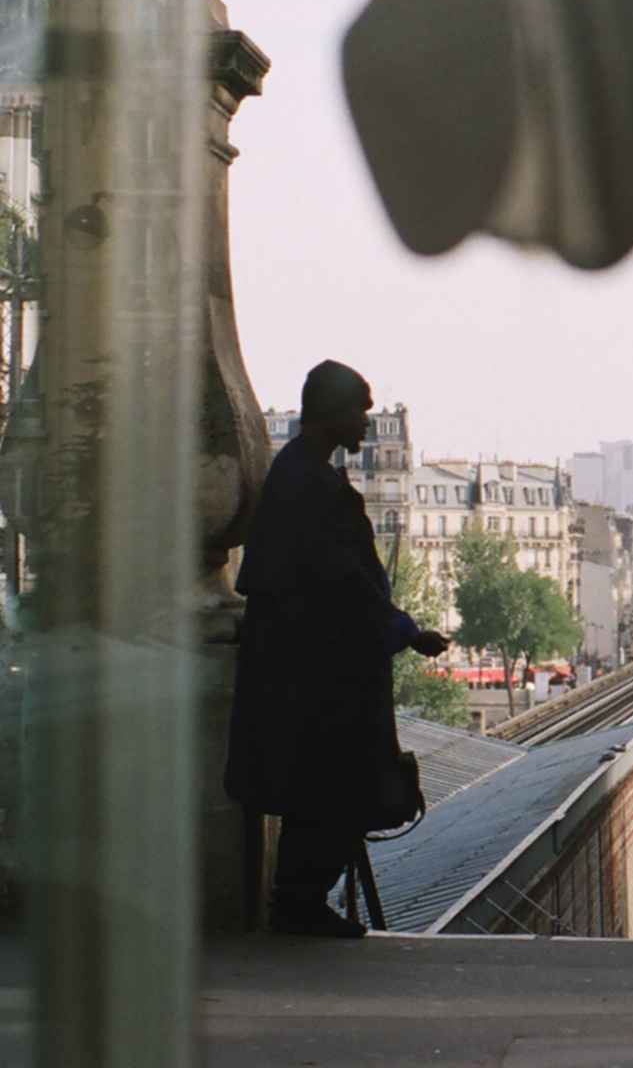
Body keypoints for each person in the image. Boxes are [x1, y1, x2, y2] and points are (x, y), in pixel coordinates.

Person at [224, 361, 452, 938]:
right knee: (335, 783)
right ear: (332, 411)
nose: (368, 423)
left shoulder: (301, 474)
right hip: (320, 670)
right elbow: (342, 578)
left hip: (312, 661)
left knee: (320, 785)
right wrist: (406, 631)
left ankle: (298, 899)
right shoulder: (309, 483)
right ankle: (298, 901)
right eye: (360, 410)